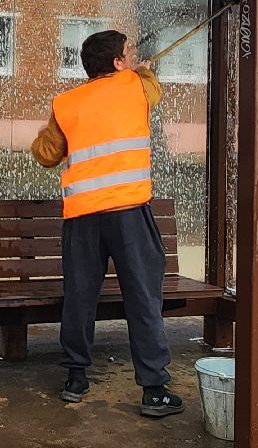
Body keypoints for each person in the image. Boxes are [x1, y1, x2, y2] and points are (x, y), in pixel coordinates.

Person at [31, 29, 183, 417]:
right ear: (117, 63)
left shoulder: (66, 103)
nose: (132, 58)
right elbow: (153, 89)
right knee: (143, 297)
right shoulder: (137, 86)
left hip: (82, 218)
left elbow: (46, 154)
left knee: (80, 297)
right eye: (128, 53)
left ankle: (75, 379)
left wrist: (57, 130)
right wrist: (141, 71)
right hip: (129, 213)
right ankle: (154, 391)